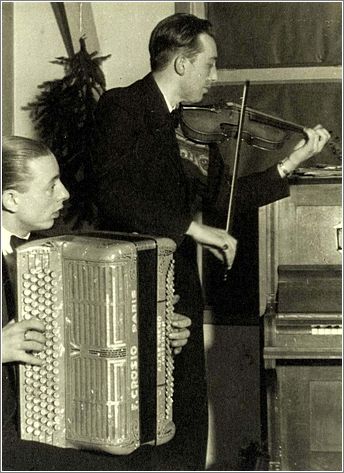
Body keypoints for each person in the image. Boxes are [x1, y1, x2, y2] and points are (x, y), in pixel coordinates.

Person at [89, 12, 331, 470]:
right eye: (210, 64)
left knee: (187, 417)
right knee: (139, 418)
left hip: (179, 287)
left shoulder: (196, 127)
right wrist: (192, 229)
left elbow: (226, 200)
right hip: (128, 287)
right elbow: (112, 192)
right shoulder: (121, 108)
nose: (215, 76)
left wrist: (293, 160)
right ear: (182, 63)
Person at [1, 135, 191, 471]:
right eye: (51, 186)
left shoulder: (61, 252)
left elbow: (104, 340)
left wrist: (157, 331)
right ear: (12, 199)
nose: (65, 194)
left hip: (56, 423)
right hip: (6, 437)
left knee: (153, 459)